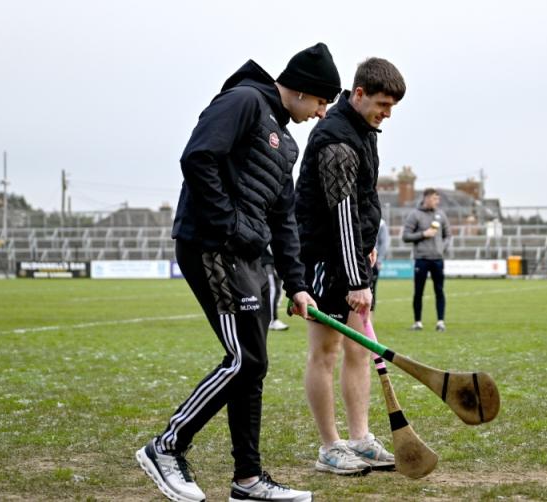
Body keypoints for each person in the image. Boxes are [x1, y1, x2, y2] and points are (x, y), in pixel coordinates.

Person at [136, 43, 340, 502]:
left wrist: (298, 285)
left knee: (253, 366)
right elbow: (197, 157)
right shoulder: (244, 100)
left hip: (248, 256)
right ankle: (166, 447)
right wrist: (229, 225)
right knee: (245, 360)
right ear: (304, 91)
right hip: (211, 246)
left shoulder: (285, 142)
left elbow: (284, 219)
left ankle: (248, 481)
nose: (323, 112)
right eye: (323, 102)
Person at [295, 57, 406, 475]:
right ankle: (330, 446)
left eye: (392, 107)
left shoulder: (364, 129)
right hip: (324, 258)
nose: (386, 114)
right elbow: (340, 212)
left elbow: (363, 202)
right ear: (358, 94)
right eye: (381, 104)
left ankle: (360, 439)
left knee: (361, 348)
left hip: (353, 253)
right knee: (326, 350)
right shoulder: (337, 141)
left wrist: (367, 246)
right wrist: (356, 277)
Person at [402, 188, 451, 332]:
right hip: (421, 259)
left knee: (439, 291)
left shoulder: (440, 214)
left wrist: (442, 247)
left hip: (437, 259)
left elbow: (448, 235)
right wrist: (424, 234)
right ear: (427, 198)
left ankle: (440, 322)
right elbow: (406, 236)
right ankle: (418, 322)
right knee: (418, 292)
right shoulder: (415, 215)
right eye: (435, 199)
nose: (438, 201)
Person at [262, 246, 289, 331]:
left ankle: (271, 319)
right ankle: (271, 320)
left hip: (273, 262)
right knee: (271, 290)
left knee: (276, 290)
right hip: (266, 262)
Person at [370, 217, 390, 310]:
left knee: (371, 293)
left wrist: (379, 260)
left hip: (372, 260)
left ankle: (368, 323)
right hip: (357, 260)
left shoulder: (381, 223)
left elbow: (384, 243)